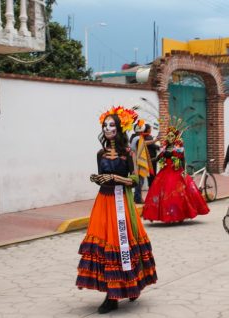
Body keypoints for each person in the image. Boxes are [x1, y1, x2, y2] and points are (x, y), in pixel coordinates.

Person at [77, 106, 157, 314]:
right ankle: (111, 292)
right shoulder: (100, 153)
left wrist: (115, 179)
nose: (107, 128)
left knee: (121, 243)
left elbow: (135, 179)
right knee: (104, 245)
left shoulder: (127, 153)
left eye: (111, 125)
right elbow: (100, 176)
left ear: (120, 128)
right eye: (105, 125)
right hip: (103, 202)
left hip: (121, 203)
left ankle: (125, 289)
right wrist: (98, 179)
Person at [142, 122, 209, 223]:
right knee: (163, 193)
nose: (169, 137)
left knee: (177, 193)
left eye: (172, 136)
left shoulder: (178, 148)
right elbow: (158, 157)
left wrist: (184, 171)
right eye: (168, 136)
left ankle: (179, 215)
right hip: (165, 172)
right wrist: (148, 161)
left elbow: (183, 160)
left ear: (175, 137)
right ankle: (167, 215)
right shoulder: (164, 148)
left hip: (176, 171)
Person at [130, 120, 155, 204]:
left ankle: (136, 197)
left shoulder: (134, 137)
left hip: (135, 161)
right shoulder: (137, 139)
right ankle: (138, 198)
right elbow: (143, 144)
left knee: (140, 181)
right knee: (139, 181)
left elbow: (144, 143)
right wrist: (154, 141)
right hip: (138, 162)